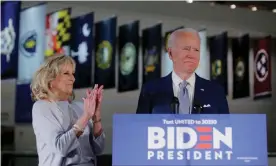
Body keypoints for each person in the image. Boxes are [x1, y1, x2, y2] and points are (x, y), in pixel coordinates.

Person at [31, 54, 105, 166]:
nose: (73, 78)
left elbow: (99, 149)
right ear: (50, 80)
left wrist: (96, 118)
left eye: (73, 74)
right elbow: (61, 148)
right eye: (66, 73)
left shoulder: (80, 107)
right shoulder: (41, 107)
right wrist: (86, 117)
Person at [136, 28, 229, 114]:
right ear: (170, 53)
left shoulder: (215, 91)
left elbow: (226, 129)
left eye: (196, 50)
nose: (191, 55)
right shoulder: (150, 90)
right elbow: (140, 128)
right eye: (186, 49)